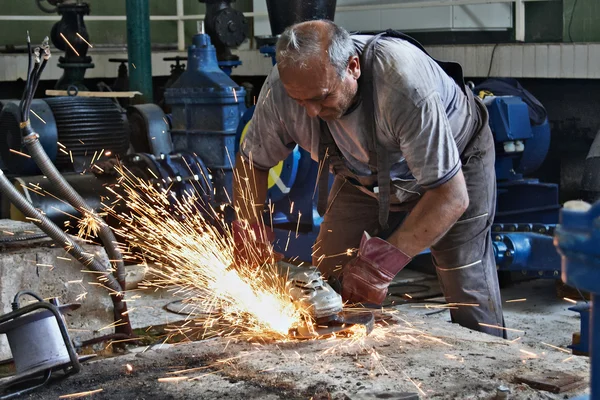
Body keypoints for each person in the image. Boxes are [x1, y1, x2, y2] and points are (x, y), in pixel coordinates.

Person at [233, 19, 506, 337]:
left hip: (456, 164)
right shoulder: (283, 90)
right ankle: (344, 364)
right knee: (332, 269)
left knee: (461, 272)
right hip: (362, 174)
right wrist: (249, 229)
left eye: (321, 98)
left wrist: (380, 266)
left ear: (353, 67)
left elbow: (451, 196)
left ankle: (490, 365)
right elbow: (252, 163)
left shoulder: (404, 84)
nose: (309, 111)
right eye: (299, 101)